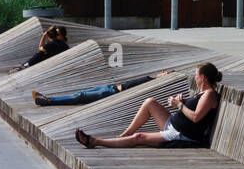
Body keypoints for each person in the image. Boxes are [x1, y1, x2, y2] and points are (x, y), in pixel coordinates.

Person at [74, 63, 222, 150]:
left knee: (139, 137)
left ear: (203, 77)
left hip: (181, 135)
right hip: (173, 124)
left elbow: (196, 117)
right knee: (150, 102)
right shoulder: (202, 93)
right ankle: (123, 137)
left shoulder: (209, 94)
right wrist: (181, 102)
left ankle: (94, 141)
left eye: (196, 75)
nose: (194, 77)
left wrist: (180, 105)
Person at [32, 73, 154, 107]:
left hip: (112, 93)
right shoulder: (151, 77)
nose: (164, 72)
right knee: (79, 94)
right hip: (110, 87)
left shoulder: (153, 83)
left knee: (79, 97)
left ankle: (48, 101)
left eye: (166, 73)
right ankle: (49, 99)